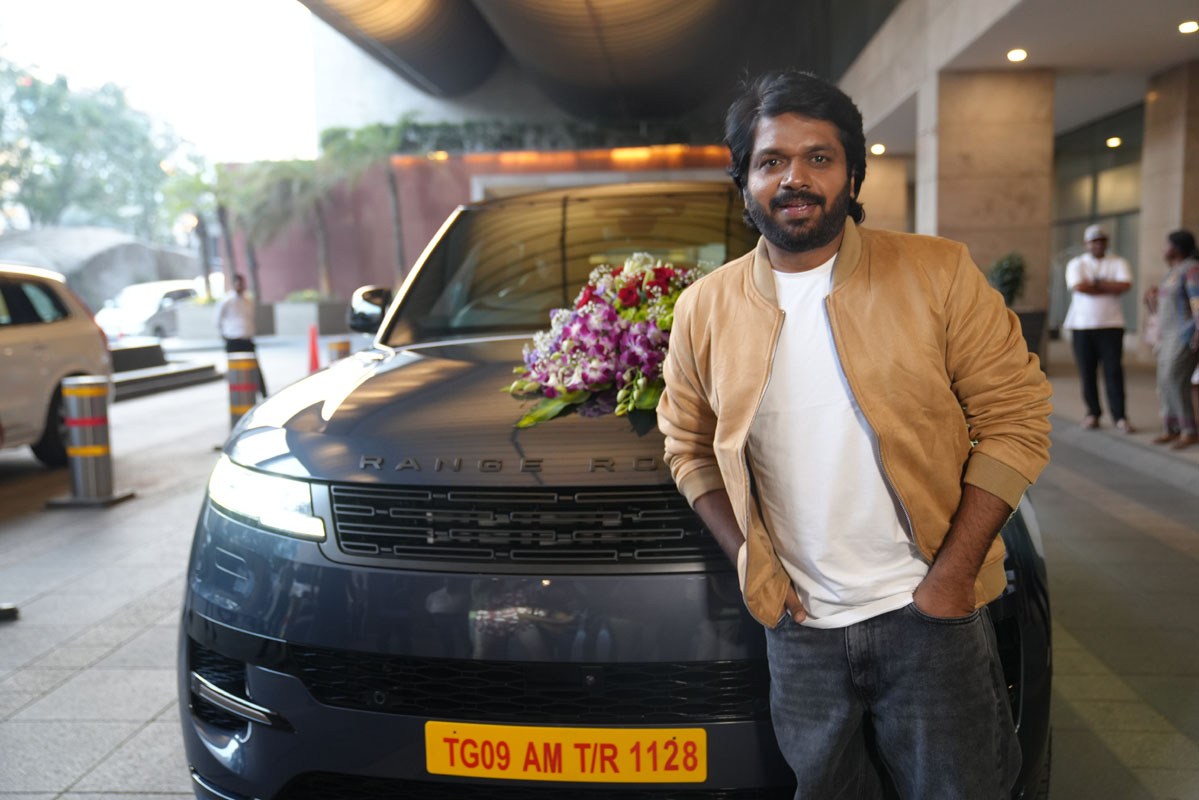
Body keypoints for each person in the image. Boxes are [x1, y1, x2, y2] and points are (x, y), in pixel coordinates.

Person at [656, 70, 1052, 799]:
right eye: (771, 160)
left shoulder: (937, 273)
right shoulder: (703, 310)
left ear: (850, 173)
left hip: (931, 616)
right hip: (798, 627)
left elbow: (1016, 418)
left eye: (818, 157)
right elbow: (685, 445)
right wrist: (750, 561)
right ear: (743, 180)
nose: (794, 178)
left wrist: (951, 578)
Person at [1062, 224, 1135, 431]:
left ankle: (1120, 416)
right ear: (1087, 244)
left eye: (1101, 240)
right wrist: (1108, 286)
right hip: (1082, 326)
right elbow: (1079, 287)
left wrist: (1095, 284)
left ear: (1107, 242)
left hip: (1111, 325)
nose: (1098, 245)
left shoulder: (1119, 262)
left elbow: (1125, 286)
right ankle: (1093, 413)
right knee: (1087, 372)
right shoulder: (1077, 263)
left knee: (1114, 371)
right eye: (1094, 241)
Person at [1150, 230, 1199, 449]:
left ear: (1176, 248)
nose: (1162, 248)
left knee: (1175, 379)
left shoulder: (1192, 269)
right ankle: (1171, 428)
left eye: (1166, 244)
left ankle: (1189, 431)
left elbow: (1197, 303)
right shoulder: (1172, 272)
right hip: (1166, 336)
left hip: (1183, 335)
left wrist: (1197, 332)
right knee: (1163, 381)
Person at [215, 273, 267, 396]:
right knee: (235, 372)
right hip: (233, 340)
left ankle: (262, 394)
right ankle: (238, 396)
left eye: (242, 283)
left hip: (247, 340)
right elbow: (217, 320)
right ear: (233, 284)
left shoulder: (248, 301)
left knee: (255, 369)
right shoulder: (226, 301)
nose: (240, 286)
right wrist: (224, 335)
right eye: (237, 283)